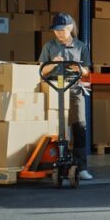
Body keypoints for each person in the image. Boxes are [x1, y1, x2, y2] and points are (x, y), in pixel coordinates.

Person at [38, 13, 94, 181]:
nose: (59, 33)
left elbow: (87, 71)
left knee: (79, 127)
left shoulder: (81, 47)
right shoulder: (49, 46)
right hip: (54, 87)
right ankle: (50, 163)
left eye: (62, 30)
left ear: (70, 28)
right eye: (56, 30)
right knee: (55, 128)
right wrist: (53, 62)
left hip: (74, 87)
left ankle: (81, 167)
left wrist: (78, 69)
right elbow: (41, 70)